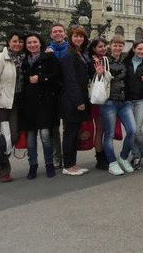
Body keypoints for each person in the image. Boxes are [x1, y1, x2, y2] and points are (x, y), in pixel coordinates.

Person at [0, 32, 25, 183]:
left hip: (16, 104)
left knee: (13, 136)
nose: (17, 44)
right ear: (8, 42)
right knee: (3, 137)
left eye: (20, 41)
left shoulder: (22, 59)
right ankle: (3, 169)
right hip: (2, 104)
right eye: (14, 41)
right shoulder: (0, 59)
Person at [20, 32, 61, 179]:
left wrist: (42, 78)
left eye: (35, 42)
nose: (32, 45)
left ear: (40, 43)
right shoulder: (23, 61)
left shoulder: (49, 57)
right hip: (29, 105)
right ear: (26, 45)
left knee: (45, 136)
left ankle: (49, 164)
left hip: (45, 103)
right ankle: (33, 165)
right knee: (31, 139)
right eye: (29, 43)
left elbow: (57, 75)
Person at [99, 35, 137, 176]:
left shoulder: (125, 60)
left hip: (125, 101)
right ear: (110, 46)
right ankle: (112, 163)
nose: (117, 48)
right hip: (109, 102)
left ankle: (123, 157)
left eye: (120, 45)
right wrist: (99, 73)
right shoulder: (104, 60)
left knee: (132, 131)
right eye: (115, 45)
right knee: (109, 134)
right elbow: (96, 78)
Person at [59, 25, 95, 176]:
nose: (79, 38)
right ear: (70, 38)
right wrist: (78, 101)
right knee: (70, 133)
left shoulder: (80, 53)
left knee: (74, 132)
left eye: (81, 36)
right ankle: (68, 166)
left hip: (79, 97)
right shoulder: (69, 55)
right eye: (76, 36)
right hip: (72, 100)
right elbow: (71, 80)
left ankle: (72, 163)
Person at [123, 39, 143, 170]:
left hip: (141, 100)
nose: (142, 51)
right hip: (127, 100)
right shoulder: (126, 63)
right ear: (134, 49)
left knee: (137, 129)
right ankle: (136, 155)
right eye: (139, 49)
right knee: (130, 131)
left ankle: (141, 151)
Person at [45, 23, 68, 168]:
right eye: (55, 32)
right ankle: (57, 156)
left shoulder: (71, 49)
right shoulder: (47, 50)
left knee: (67, 127)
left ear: (65, 34)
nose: (58, 33)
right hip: (52, 93)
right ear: (51, 35)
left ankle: (68, 156)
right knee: (54, 128)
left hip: (67, 92)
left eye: (60, 31)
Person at [88, 38, 110, 171]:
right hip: (98, 99)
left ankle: (106, 153)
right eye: (100, 46)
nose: (103, 48)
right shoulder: (92, 61)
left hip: (108, 98)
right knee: (100, 129)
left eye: (105, 46)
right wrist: (98, 73)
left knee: (107, 129)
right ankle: (99, 157)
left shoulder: (106, 59)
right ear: (94, 49)